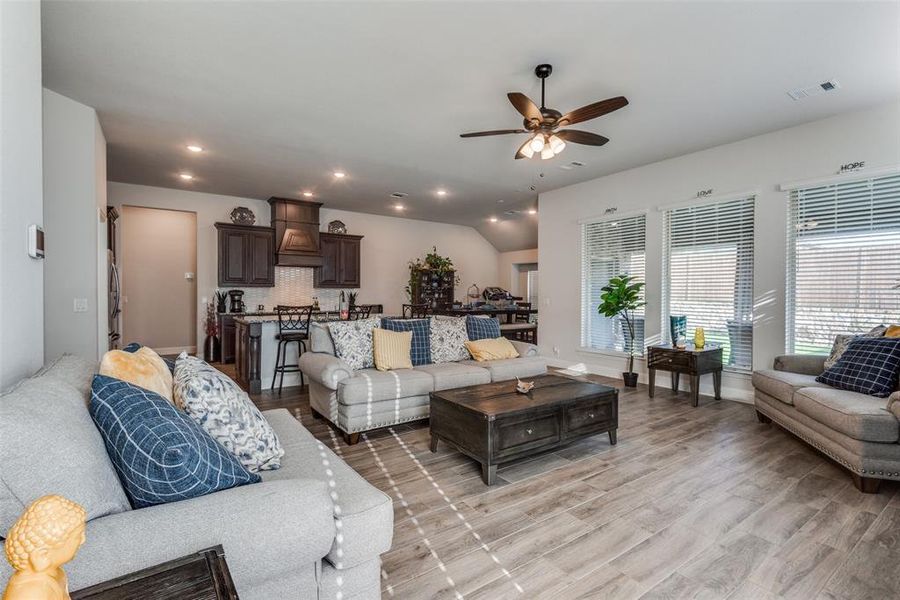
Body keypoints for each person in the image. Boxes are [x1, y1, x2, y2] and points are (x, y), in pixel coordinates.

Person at [3, 495, 86, 600]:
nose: (83, 540)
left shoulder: (56, 573)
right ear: (43, 555)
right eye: (77, 536)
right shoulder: (31, 592)